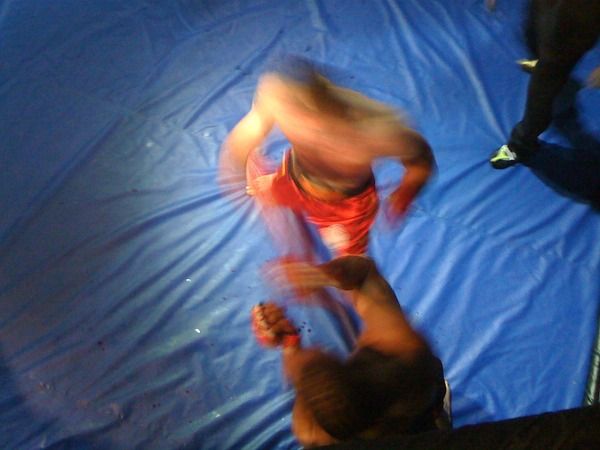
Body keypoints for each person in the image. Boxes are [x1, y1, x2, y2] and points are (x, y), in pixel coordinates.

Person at [220, 56, 435, 256]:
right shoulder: (279, 99)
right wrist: (236, 165)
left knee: (351, 259)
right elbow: (253, 126)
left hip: (346, 207)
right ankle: (281, 189)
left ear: (329, 104)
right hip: (293, 177)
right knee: (270, 189)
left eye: (319, 122)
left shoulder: (375, 130)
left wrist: (406, 192)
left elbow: (421, 159)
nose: (312, 131)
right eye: (300, 118)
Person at [251, 256, 449, 447]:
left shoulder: (312, 433)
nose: (316, 347)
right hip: (423, 414)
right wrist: (325, 274)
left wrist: (289, 343)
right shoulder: (404, 354)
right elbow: (365, 275)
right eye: (322, 353)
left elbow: (301, 373)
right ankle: (436, 418)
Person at [490, 0, 600, 169]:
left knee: (543, 90)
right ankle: (543, 62)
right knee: (533, 32)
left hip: (577, 18)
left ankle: (521, 145)